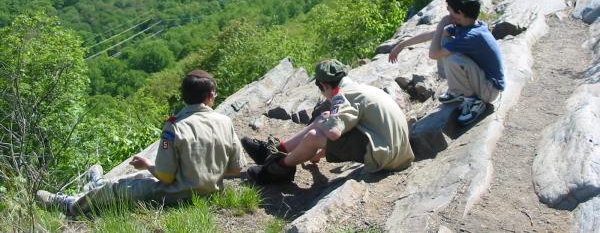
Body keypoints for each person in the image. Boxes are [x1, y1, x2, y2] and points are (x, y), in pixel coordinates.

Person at [36, 70, 246, 215]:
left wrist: (148, 164)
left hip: (177, 195)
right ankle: (96, 184)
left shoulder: (174, 127)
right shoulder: (225, 122)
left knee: (120, 187)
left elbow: (165, 176)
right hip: (210, 193)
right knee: (139, 177)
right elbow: (236, 169)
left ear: (184, 97)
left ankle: (69, 205)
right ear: (210, 97)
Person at [242, 59, 414, 184]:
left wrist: (317, 143)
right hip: (398, 151)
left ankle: (278, 169)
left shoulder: (343, 96)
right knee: (325, 119)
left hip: (386, 157)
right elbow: (356, 128)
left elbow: (334, 133)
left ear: (323, 85)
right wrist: (320, 151)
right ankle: (278, 150)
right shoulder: (363, 88)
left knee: (313, 136)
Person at [388, 0, 505, 126]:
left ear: (459, 13)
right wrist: (401, 45)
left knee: (451, 56)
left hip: (490, 90)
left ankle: (474, 101)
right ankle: (458, 90)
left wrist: (441, 25)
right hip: (483, 80)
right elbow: (430, 36)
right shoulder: (467, 26)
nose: (447, 13)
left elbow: (433, 54)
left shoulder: (471, 36)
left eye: (449, 10)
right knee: (445, 41)